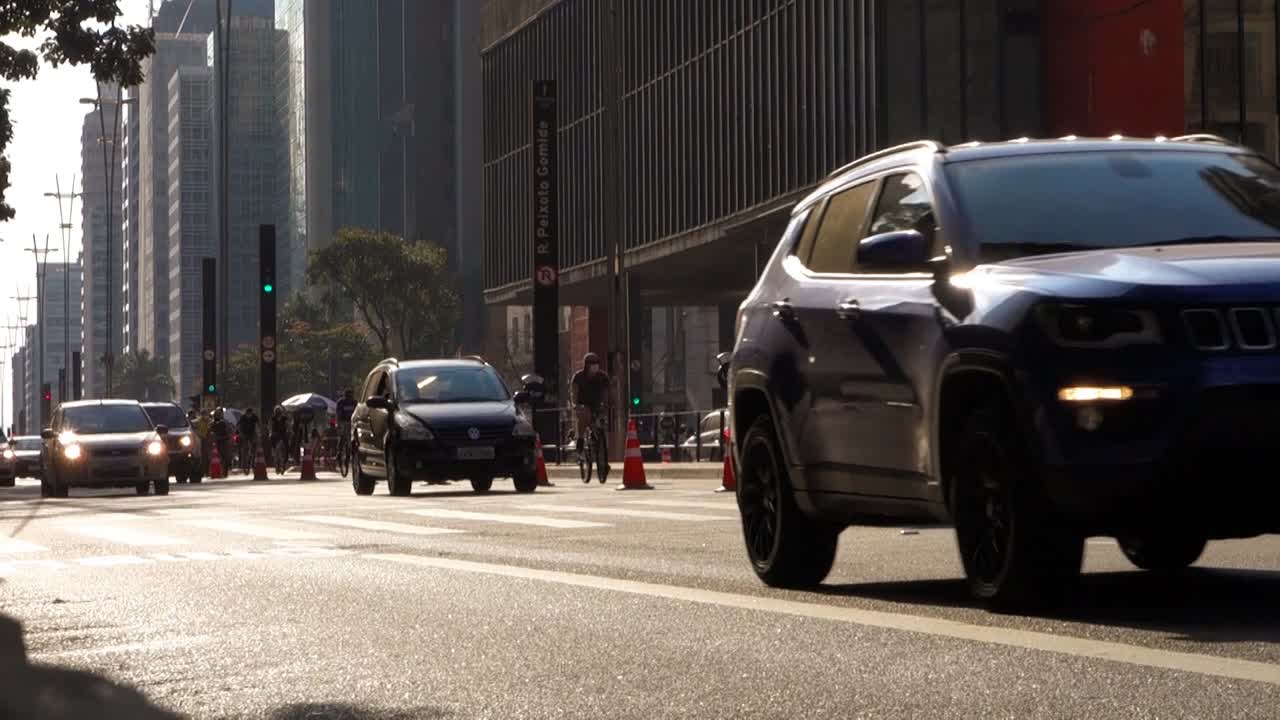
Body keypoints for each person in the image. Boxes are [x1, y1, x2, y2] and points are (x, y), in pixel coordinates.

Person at [570, 352, 611, 477]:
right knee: (585, 415)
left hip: (597, 405)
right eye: (592, 363)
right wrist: (575, 404)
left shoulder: (602, 377)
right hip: (583, 404)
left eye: (596, 363)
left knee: (602, 426)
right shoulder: (578, 376)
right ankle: (581, 440)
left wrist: (607, 405)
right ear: (586, 365)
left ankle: (603, 459)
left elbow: (606, 393)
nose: (595, 366)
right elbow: (574, 392)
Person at [237, 408, 259, 472]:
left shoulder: (254, 417)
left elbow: (258, 425)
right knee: (244, 449)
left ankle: (253, 461)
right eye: (248, 414)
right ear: (246, 413)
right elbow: (239, 425)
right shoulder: (243, 417)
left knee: (254, 448)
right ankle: (244, 464)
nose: (249, 415)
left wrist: (258, 434)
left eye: (250, 414)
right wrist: (240, 433)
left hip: (252, 434)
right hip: (245, 434)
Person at [210, 409, 230, 474]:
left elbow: (228, 431)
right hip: (217, 441)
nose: (217, 416)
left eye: (218, 414)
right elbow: (210, 431)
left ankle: (224, 470)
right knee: (218, 456)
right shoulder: (213, 423)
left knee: (224, 456)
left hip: (223, 441)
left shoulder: (224, 422)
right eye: (216, 415)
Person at [269, 406, 288, 470]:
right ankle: (277, 464)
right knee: (275, 450)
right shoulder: (273, 418)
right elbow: (271, 426)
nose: (278, 413)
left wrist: (289, 431)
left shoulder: (284, 418)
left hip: (283, 435)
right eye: (277, 411)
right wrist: (271, 433)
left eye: (279, 411)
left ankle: (284, 462)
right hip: (275, 435)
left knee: (285, 448)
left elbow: (287, 425)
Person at [195, 410, 211, 476]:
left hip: (207, 440)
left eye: (205, 414)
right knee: (201, 457)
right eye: (203, 414)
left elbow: (210, 430)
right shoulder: (198, 421)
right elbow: (196, 430)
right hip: (200, 440)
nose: (205, 416)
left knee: (208, 456)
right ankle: (202, 471)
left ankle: (207, 471)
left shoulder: (209, 421)